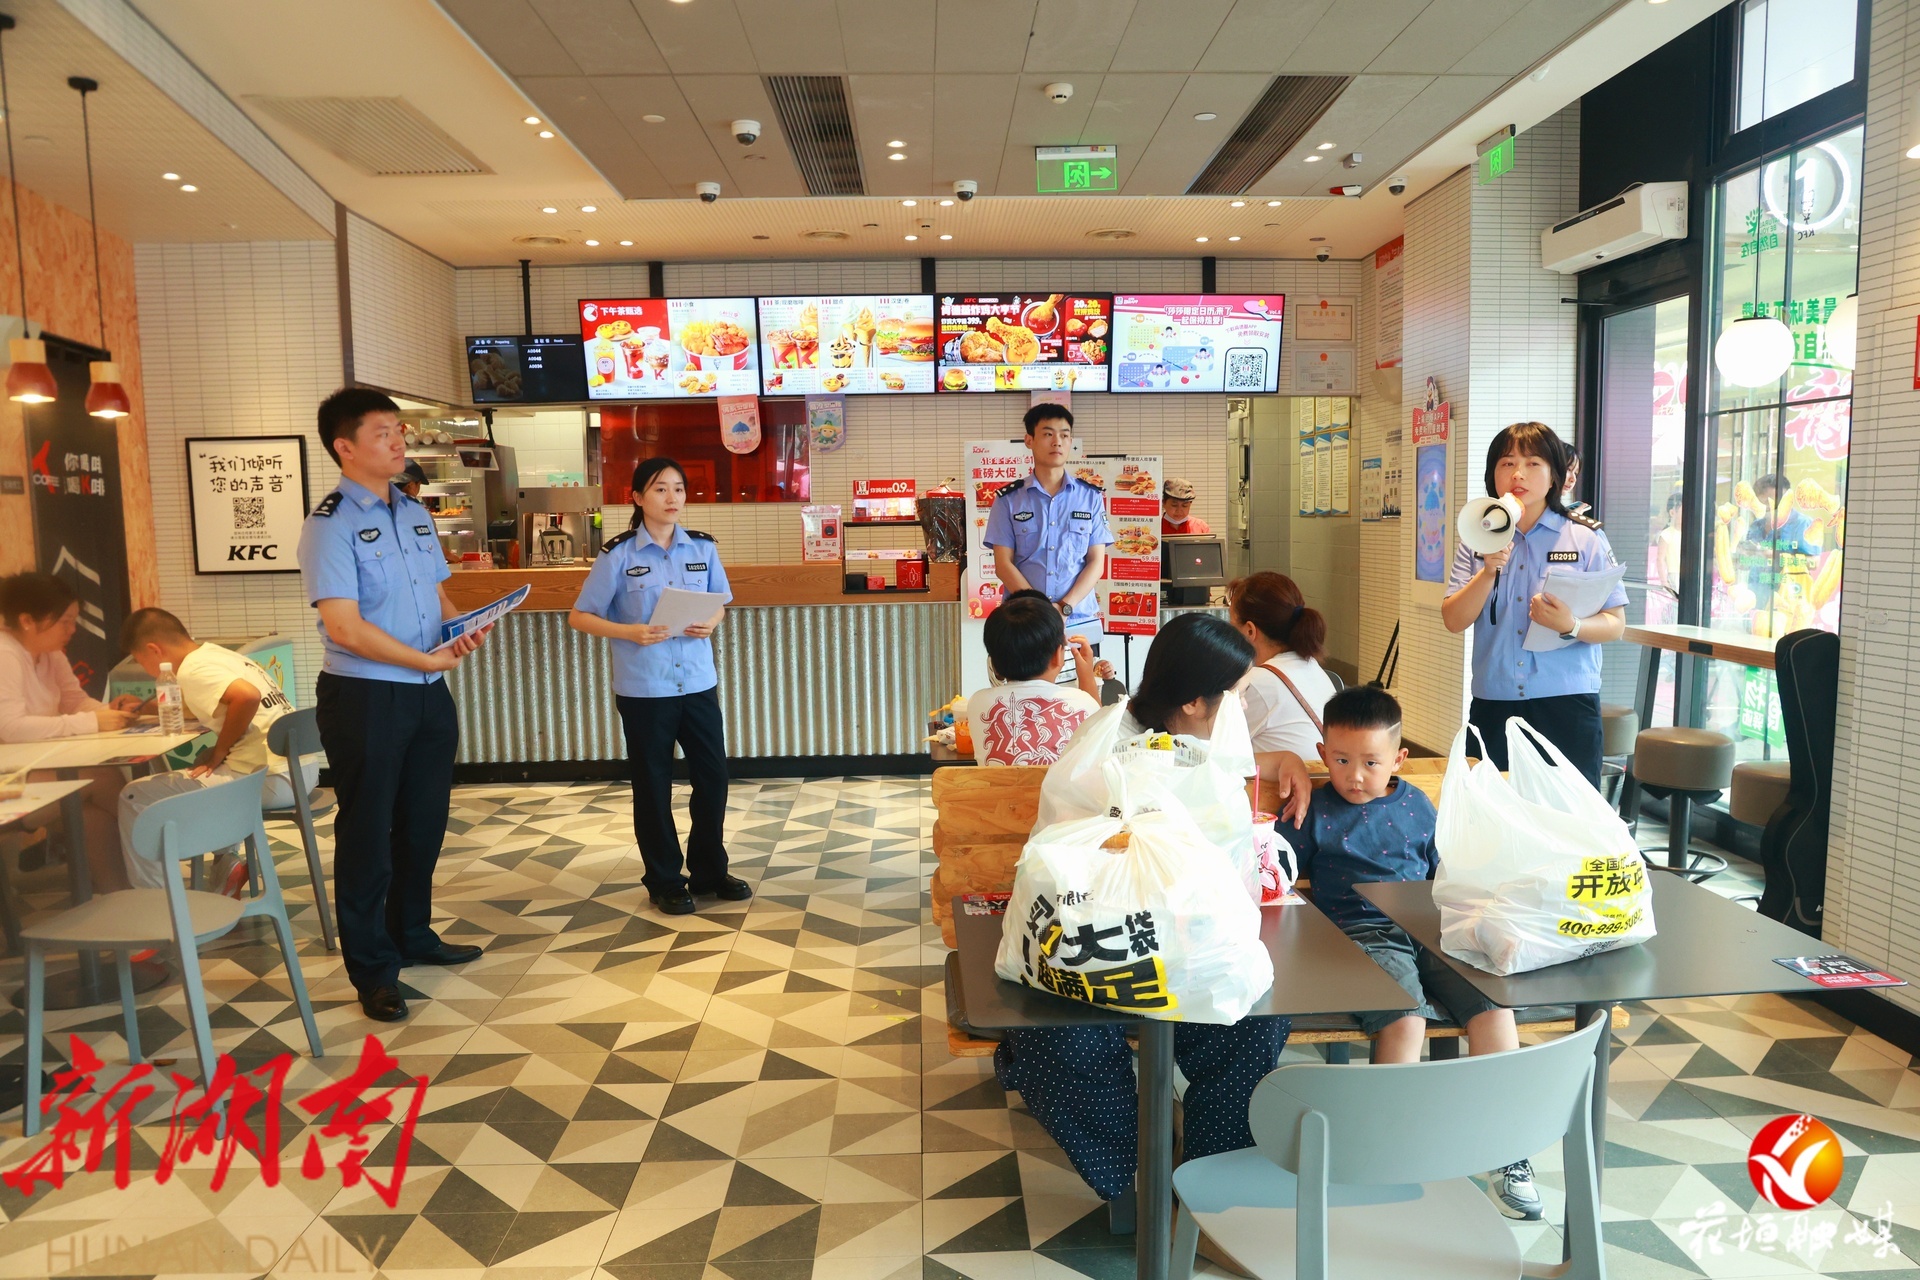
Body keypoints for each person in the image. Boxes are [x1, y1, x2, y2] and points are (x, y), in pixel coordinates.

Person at [994, 613, 1304, 1205]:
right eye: (1231, 694)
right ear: (1192, 702)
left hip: (1190, 944)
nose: (1238, 705)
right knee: (1058, 1043)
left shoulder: (1213, 733)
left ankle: (1212, 1186)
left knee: (1252, 1026)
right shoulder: (1099, 746)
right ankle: (1137, 1175)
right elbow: (1061, 866)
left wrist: (1282, 759)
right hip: (1096, 944)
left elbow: (1231, 854)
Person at [1289, 686, 1540, 1221]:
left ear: (1398, 759)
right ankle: (1388, 1148)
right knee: (1406, 1019)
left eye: (1370, 762)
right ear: (1322, 753)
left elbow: (1446, 872)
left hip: (1433, 928)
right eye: (1340, 760)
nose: (1355, 776)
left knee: (1493, 1008)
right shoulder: (1316, 808)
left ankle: (1507, 1150)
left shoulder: (1417, 804)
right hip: (1362, 934)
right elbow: (1280, 870)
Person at [297, 387, 488, 1024]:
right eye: (383, 432)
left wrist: (461, 628)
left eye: (399, 430)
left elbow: (438, 595)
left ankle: (412, 933)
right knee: (368, 834)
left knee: (423, 823)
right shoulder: (328, 525)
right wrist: (423, 661)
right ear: (345, 447)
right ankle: (374, 969)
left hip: (428, 695)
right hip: (366, 697)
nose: (399, 440)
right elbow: (345, 627)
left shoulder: (413, 512)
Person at [569, 457, 745, 916]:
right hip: (646, 688)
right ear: (637, 497)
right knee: (653, 785)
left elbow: (720, 602)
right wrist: (629, 632)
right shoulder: (618, 554)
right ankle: (664, 879)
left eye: (679, 489)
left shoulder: (702, 548)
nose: (672, 498)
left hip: (698, 682)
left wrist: (711, 621)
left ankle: (709, 871)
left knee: (713, 778)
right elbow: (580, 616)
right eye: (660, 489)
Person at [1441, 423, 1627, 785]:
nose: (1518, 474)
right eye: (1507, 463)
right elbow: (1453, 619)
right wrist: (1488, 572)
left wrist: (1571, 625)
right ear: (1493, 475)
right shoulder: (1477, 537)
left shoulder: (1584, 537)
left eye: (1533, 463)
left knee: (1568, 812)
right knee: (1495, 811)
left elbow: (1615, 624)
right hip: (1494, 705)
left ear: (1555, 474)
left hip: (1567, 705)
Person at [114, 609, 298, 894]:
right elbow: (202, 704)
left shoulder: (192, 669)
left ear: (154, 650)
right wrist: (145, 708)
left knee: (134, 796)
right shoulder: (217, 655)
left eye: (140, 661)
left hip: (268, 779)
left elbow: (247, 696)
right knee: (205, 769)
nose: (145, 670)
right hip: (296, 769)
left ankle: (154, 901)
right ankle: (226, 864)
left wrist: (219, 750)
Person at [0, 572, 138, 892]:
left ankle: (123, 895)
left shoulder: (50, 652)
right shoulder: (5, 654)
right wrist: (93, 722)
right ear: (27, 621)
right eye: (65, 621)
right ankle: (161, 851)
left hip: (30, 767)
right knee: (101, 777)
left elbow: (75, 702)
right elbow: (11, 727)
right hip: (8, 781)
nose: (72, 630)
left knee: (91, 817)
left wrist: (109, 711)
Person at [982, 403, 1112, 644]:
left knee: (1081, 672)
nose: (1057, 442)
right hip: (1025, 623)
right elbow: (1003, 564)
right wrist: (1042, 611)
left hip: (1077, 621)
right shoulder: (1008, 500)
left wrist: (1064, 607)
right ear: (1029, 440)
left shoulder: (1090, 497)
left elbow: (1096, 562)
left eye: (1064, 435)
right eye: (1048, 434)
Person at [965, 590, 1108, 766]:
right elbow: (1103, 737)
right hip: (1058, 786)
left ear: (993, 662)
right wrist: (1087, 677)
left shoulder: (978, 702)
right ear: (1058, 655)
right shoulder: (1082, 701)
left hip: (998, 786)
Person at [1229, 572, 1337, 784]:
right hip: (1321, 786)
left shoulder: (1257, 683)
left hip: (1286, 796)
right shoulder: (1310, 665)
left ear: (1250, 630)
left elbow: (1213, 746)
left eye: (1232, 625)